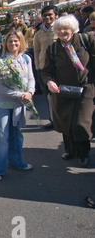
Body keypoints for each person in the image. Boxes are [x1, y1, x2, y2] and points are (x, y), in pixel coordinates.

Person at [41, 15, 95, 167]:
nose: (62, 32)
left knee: (80, 123)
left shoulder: (87, 41)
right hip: (63, 90)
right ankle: (70, 150)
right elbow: (46, 71)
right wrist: (49, 82)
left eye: (65, 28)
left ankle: (83, 153)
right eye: (58, 29)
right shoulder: (52, 48)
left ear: (73, 29)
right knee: (66, 122)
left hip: (86, 90)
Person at [0, 30, 35, 182]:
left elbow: (31, 79)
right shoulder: (0, 62)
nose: (13, 44)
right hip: (3, 103)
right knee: (2, 136)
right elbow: (1, 88)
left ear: (21, 42)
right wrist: (21, 95)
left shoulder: (26, 59)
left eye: (16, 41)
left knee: (16, 134)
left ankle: (16, 162)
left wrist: (30, 92)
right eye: (10, 41)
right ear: (5, 44)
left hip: (19, 103)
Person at [33, 5, 58, 129]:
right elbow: (36, 51)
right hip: (44, 69)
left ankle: (62, 120)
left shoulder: (59, 29)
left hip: (59, 67)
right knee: (48, 96)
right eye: (44, 15)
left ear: (55, 16)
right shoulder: (38, 34)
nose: (47, 17)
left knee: (61, 95)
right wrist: (38, 67)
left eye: (50, 15)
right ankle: (53, 120)